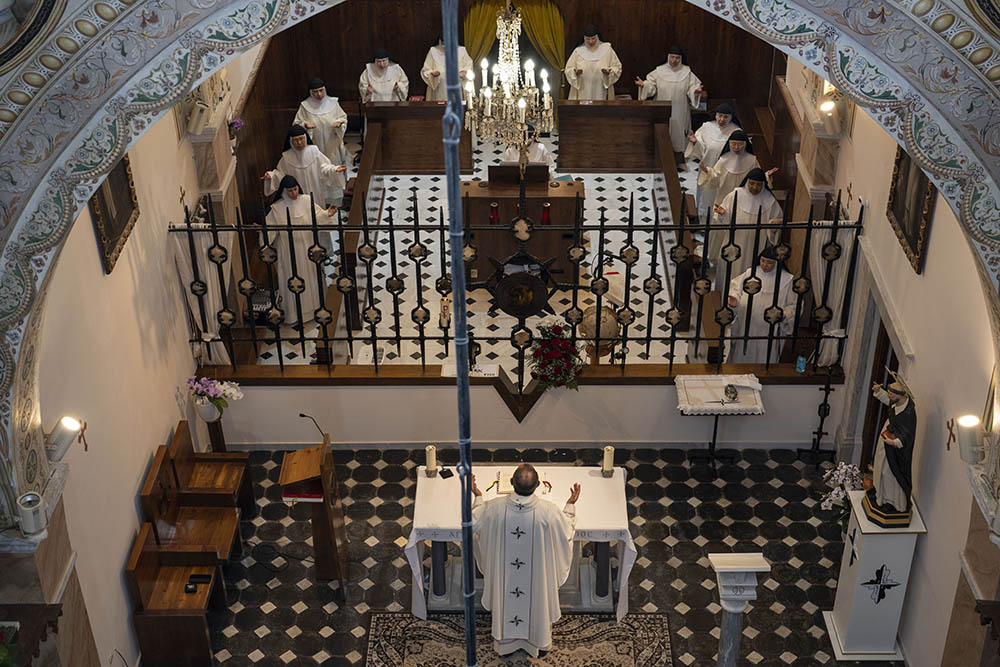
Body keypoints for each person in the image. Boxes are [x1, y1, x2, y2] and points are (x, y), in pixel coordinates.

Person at [472, 464, 580, 658]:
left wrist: (478, 496)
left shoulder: (494, 509)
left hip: (506, 580)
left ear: (511, 483)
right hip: (535, 581)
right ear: (538, 485)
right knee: (537, 599)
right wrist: (570, 505)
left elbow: (475, 522)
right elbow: (566, 531)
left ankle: (505, 643)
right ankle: (536, 641)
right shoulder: (548, 512)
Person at [264, 176, 336, 326]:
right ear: (284, 191)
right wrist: (264, 235)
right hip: (288, 253)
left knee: (310, 277)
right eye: (290, 191)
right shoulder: (277, 209)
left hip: (308, 249)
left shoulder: (306, 201)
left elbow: (317, 216)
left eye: (295, 189)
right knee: (293, 279)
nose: (294, 193)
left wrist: (326, 215)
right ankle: (294, 313)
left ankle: (316, 307)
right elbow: (269, 230)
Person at [726, 246, 795, 364]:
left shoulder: (787, 279)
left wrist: (784, 315)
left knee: (764, 356)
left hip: (769, 327)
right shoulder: (751, 273)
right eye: (762, 261)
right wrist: (735, 299)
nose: (764, 265)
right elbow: (736, 288)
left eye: (769, 262)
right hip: (747, 324)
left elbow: (794, 305)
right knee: (743, 353)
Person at [712, 168, 783, 276]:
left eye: (758, 184)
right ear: (747, 182)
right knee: (731, 271)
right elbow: (724, 218)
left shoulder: (770, 201)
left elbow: (777, 221)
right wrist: (723, 214)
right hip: (735, 241)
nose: (754, 187)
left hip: (757, 244)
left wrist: (773, 227)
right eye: (752, 183)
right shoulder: (734, 195)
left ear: (763, 185)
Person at [635, 46, 704, 152]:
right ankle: (660, 156)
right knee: (662, 131)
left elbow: (692, 87)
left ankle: (679, 157)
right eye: (672, 57)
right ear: (668, 57)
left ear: (681, 59)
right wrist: (644, 85)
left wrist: (696, 91)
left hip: (680, 110)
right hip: (661, 108)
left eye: (677, 58)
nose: (674, 60)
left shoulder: (687, 72)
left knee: (679, 132)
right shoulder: (659, 71)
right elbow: (651, 86)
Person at [262, 125, 347, 208]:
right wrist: (271, 176)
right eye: (296, 140)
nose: (299, 143)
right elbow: (281, 175)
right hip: (297, 194)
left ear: (306, 138)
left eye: (301, 139)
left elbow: (324, 168)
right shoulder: (287, 158)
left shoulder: (314, 152)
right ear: (291, 141)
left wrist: (334, 169)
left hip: (315, 191)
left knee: (317, 212)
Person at [686, 103, 741, 223]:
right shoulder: (707, 127)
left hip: (724, 173)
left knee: (719, 197)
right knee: (705, 195)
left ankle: (716, 223)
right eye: (719, 116)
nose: (721, 120)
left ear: (731, 118)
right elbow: (701, 148)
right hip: (707, 169)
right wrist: (696, 142)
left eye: (725, 117)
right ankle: (702, 220)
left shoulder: (736, 131)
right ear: (715, 115)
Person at [868, 377, 915, 513]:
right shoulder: (897, 403)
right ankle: (881, 496)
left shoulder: (909, 413)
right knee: (880, 467)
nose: (890, 397)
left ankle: (893, 501)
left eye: (892, 394)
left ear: (901, 395)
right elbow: (888, 401)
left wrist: (894, 442)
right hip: (887, 441)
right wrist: (879, 391)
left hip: (897, 450)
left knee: (889, 473)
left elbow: (908, 435)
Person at [293, 78, 348, 166]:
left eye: (321, 90)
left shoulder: (333, 103)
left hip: (332, 142)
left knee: (334, 164)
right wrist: (305, 125)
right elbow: (296, 123)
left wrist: (339, 123)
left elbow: (343, 117)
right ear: (311, 92)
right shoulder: (305, 106)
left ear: (325, 90)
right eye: (315, 91)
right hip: (316, 142)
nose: (319, 94)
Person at [565, 25, 622, 101]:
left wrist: (610, 71)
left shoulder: (607, 49)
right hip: (583, 89)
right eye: (588, 39)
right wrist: (575, 72)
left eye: (593, 38)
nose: (591, 41)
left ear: (597, 37)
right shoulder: (578, 51)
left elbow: (617, 67)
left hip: (601, 88)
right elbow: (568, 69)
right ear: (584, 38)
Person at [421, 36, 473, 101]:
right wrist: (432, 73)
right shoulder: (433, 51)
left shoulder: (462, 51)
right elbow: (425, 70)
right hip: (438, 91)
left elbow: (469, 66)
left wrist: (464, 72)